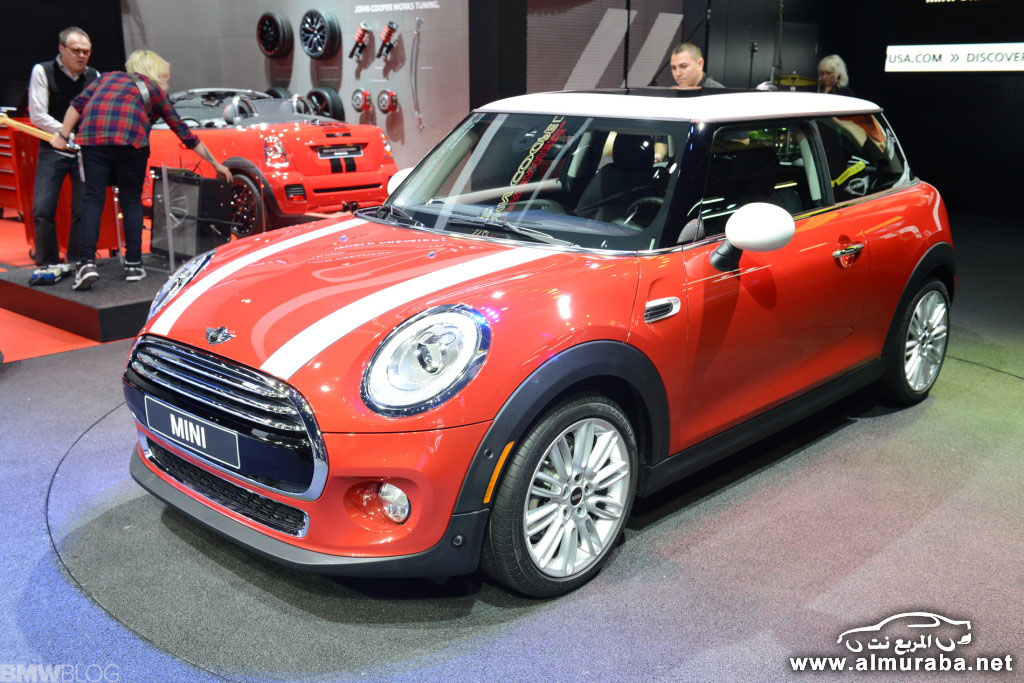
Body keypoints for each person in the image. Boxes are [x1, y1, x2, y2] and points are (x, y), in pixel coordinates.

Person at [51, 50, 232, 291]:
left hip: (93, 141)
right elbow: (184, 132)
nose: (167, 81)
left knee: (93, 199)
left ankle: (86, 264)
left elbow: (76, 106)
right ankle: (134, 265)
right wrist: (216, 164)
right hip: (131, 144)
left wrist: (63, 135)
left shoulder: (105, 78)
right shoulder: (153, 90)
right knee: (131, 201)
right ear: (154, 71)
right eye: (165, 76)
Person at [27, 27, 100, 286]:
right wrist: (66, 133)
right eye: (76, 50)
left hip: (83, 150)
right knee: (42, 208)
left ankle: (77, 261)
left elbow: (96, 111)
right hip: (53, 148)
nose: (81, 56)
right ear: (62, 49)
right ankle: (47, 262)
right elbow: (37, 114)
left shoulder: (94, 76)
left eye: (86, 51)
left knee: (82, 208)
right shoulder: (42, 71)